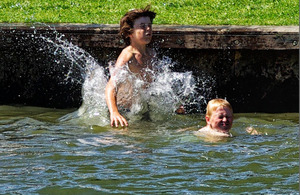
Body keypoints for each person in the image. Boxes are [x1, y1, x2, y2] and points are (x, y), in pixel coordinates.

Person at [105, 5, 157, 127]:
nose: (148, 29)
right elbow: (110, 87)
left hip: (142, 109)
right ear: (130, 33)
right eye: (142, 26)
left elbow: (159, 85)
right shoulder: (128, 56)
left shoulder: (151, 54)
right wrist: (114, 112)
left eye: (149, 25)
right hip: (125, 111)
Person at [194, 98, 260, 139]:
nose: (225, 120)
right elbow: (225, 137)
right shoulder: (208, 133)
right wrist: (253, 137)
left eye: (228, 117)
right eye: (220, 117)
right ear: (208, 120)